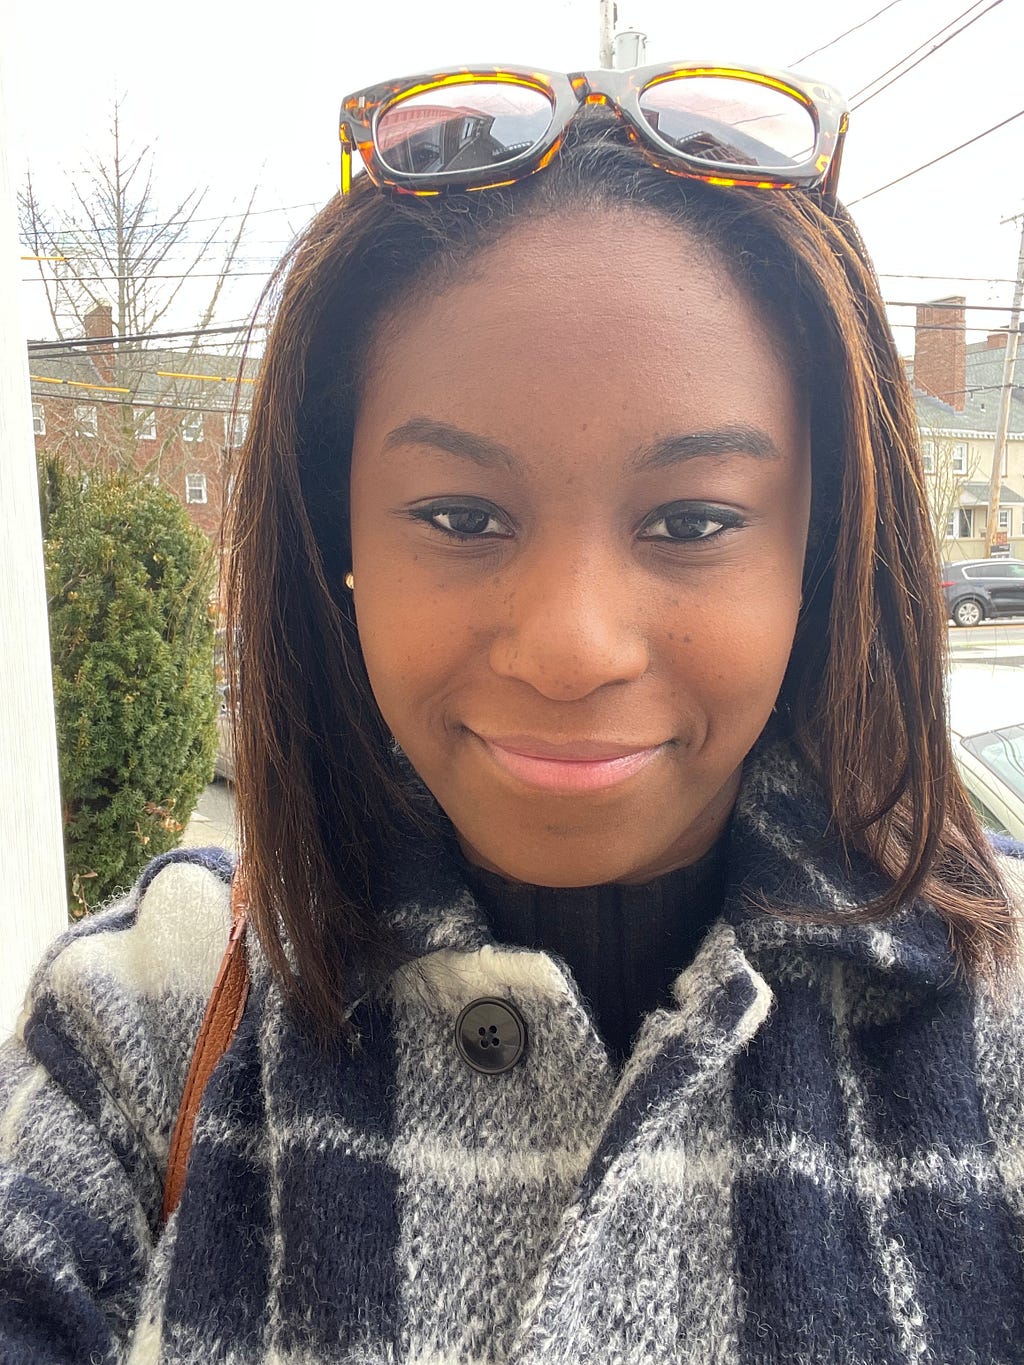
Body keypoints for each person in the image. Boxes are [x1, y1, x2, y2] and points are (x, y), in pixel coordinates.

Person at [2, 61, 1023, 1365]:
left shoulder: (999, 1024)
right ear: (338, 541)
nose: (570, 646)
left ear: (816, 551)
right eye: (462, 517)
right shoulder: (144, 1028)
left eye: (694, 521)